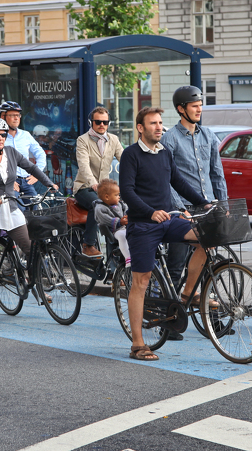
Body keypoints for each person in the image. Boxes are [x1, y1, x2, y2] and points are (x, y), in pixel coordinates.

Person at [118, 107, 209, 362]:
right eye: (153, 123)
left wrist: (203, 203)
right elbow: (127, 192)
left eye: (160, 123)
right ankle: (138, 344)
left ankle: (187, 295)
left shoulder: (164, 152)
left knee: (207, 237)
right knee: (141, 281)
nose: (159, 127)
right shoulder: (131, 155)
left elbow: (178, 183)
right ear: (140, 128)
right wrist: (150, 213)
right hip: (142, 225)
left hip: (168, 219)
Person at [0, 117, 57, 325]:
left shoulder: (11, 152)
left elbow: (31, 168)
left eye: (3, 134)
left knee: (30, 248)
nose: (1, 138)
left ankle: (37, 287)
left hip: (12, 207)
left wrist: (49, 183)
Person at [160, 86, 228, 306]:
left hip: (207, 206)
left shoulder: (209, 135)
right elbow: (167, 180)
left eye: (200, 105)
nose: (199, 110)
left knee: (209, 260)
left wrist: (223, 204)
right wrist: (180, 210)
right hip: (183, 208)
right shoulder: (169, 138)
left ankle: (207, 310)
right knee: (176, 263)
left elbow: (217, 173)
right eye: (194, 106)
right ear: (181, 109)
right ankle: (168, 314)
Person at [73, 106, 124, 257]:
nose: (102, 125)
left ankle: (114, 258)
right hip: (85, 187)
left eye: (105, 122)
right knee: (96, 204)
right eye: (98, 122)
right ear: (91, 123)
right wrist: (93, 183)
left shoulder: (113, 139)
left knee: (119, 212)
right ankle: (88, 245)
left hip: (104, 189)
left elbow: (125, 160)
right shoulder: (83, 140)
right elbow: (83, 165)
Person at [0, 101, 46, 207]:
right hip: (8, 182)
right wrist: (7, 180)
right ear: (3, 116)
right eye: (12, 115)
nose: (16, 118)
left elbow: (41, 154)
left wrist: (37, 174)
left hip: (26, 181)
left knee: (36, 208)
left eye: (18, 115)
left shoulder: (25, 135)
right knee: (18, 210)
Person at [93, 178, 130, 266]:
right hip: (114, 231)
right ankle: (128, 258)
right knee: (122, 236)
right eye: (116, 195)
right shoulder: (100, 208)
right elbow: (104, 219)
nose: (119, 197)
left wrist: (127, 215)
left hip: (125, 228)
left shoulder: (120, 204)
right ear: (107, 197)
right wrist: (119, 222)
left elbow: (126, 209)